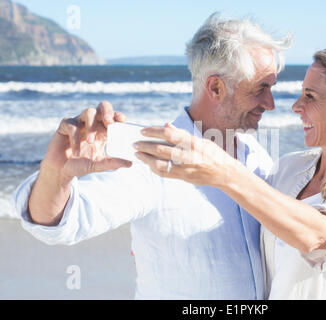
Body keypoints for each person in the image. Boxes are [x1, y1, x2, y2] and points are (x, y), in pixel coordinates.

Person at [136, 42, 326, 299]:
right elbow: (237, 217)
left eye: (310, 96)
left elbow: (318, 235)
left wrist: (225, 171)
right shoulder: (290, 167)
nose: (295, 107)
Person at [14, 13, 292, 299]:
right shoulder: (153, 158)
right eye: (261, 88)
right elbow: (61, 223)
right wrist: (54, 176)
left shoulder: (258, 156)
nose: (270, 103)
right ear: (216, 87)